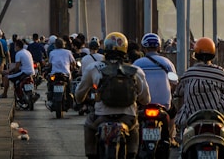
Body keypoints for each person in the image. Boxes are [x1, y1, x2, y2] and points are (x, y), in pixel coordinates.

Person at [75, 31, 150, 159]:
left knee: (88, 125)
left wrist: (81, 100)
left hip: (101, 117)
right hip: (127, 117)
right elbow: (146, 100)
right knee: (135, 128)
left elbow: (79, 94)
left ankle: (91, 155)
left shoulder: (94, 68)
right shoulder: (135, 70)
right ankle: (132, 154)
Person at [173, 37, 224, 132]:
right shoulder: (219, 72)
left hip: (192, 118)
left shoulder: (189, 73)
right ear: (213, 55)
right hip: (216, 117)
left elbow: (179, 91)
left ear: (195, 55)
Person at [133, 33, 178, 143]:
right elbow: (175, 81)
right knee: (173, 113)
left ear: (144, 47)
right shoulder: (167, 63)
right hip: (164, 104)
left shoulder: (138, 63)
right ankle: (171, 138)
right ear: (159, 47)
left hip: (143, 103)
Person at [4, 39, 36, 104]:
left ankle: (4, 94)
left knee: (6, 77)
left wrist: (10, 71)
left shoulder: (18, 53)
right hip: (32, 72)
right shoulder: (27, 52)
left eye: (15, 46)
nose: (14, 48)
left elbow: (17, 67)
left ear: (18, 46)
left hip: (24, 73)